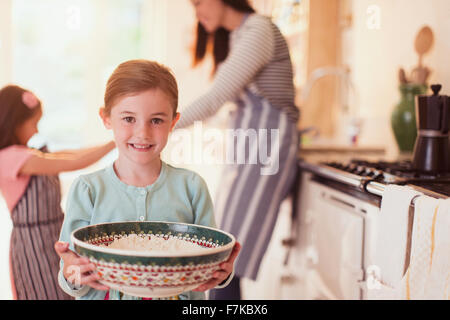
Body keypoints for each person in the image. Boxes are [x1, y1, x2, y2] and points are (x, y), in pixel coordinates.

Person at [54, 59, 241, 300]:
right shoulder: (88, 190)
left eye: (156, 120)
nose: (143, 133)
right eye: (129, 119)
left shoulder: (192, 187)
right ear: (106, 118)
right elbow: (71, 277)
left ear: (173, 122)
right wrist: (73, 274)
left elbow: (210, 261)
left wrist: (222, 274)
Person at [175, 0, 300, 299]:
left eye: (199, 3)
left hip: (268, 146)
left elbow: (215, 98)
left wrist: (162, 124)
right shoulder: (237, 35)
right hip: (250, 147)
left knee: (227, 257)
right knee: (220, 253)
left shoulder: (259, 30)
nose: (198, 13)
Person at [0, 84, 116, 300]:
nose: (36, 131)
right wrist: (116, 142)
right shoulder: (9, 157)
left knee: (65, 289)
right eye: (33, 123)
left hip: (54, 234)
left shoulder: (28, 153)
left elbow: (73, 153)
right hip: (32, 244)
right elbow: (73, 161)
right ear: (14, 122)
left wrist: (113, 143)